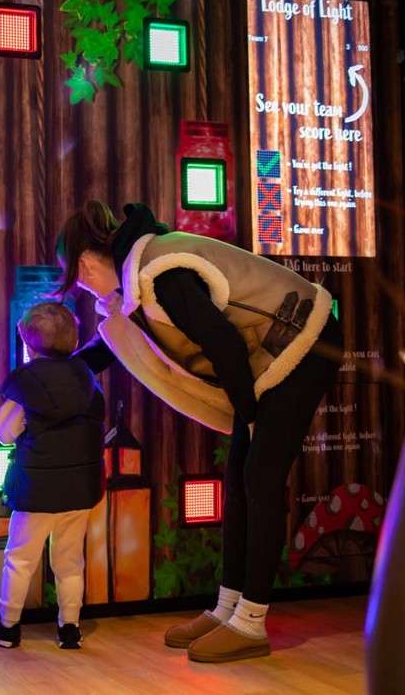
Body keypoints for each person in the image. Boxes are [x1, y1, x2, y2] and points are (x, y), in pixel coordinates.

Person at [57, 200, 342, 663]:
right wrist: (61, 372)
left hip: (306, 342)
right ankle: (228, 607)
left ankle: (250, 623)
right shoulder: (141, 276)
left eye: (79, 279)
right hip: (271, 360)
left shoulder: (160, 273)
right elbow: (109, 345)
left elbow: (225, 344)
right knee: (239, 483)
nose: (85, 289)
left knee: (260, 481)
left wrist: (247, 415)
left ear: (86, 264)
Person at [0, 302, 105, 650]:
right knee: (70, 561)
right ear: (74, 341)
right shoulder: (86, 379)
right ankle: (69, 627)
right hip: (79, 490)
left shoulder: (27, 384)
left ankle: (8, 626)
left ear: (28, 345)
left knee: (20, 559)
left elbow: (3, 432)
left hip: (37, 491)